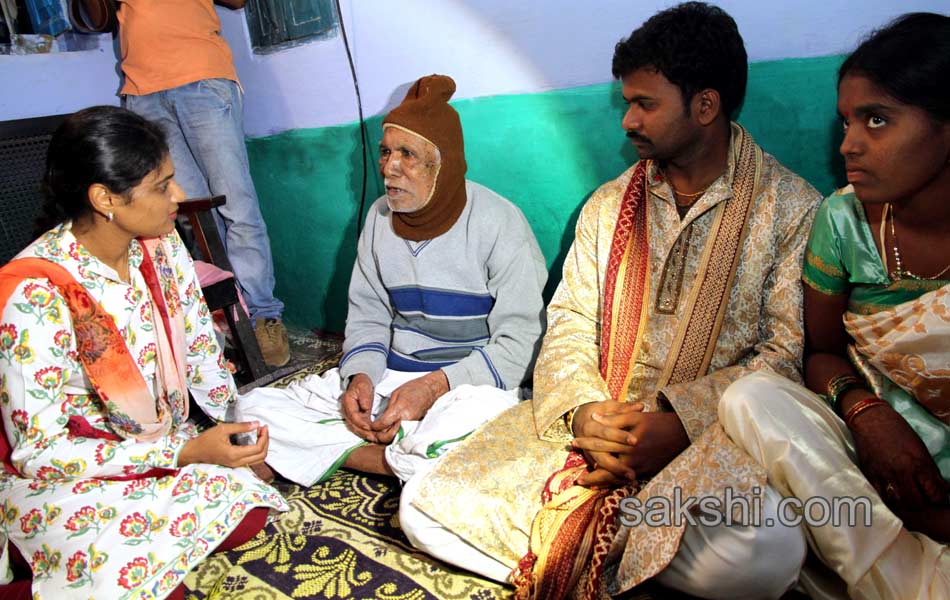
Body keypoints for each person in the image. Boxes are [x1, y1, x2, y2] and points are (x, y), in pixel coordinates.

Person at [402, 4, 823, 598]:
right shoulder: (608, 205)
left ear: (705, 105)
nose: (627, 120)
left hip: (706, 443)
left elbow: (784, 357)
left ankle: (578, 547)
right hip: (593, 431)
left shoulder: (792, 209)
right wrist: (585, 414)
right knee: (422, 504)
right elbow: (570, 318)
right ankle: (612, 556)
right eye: (626, 101)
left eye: (645, 103)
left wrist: (678, 425)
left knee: (767, 549)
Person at [0, 106, 287, 600]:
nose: (177, 197)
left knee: (249, 509)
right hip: (73, 473)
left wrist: (231, 435)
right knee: (137, 582)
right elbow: (40, 453)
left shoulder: (160, 244)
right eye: (162, 186)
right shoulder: (36, 292)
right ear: (105, 197)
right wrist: (185, 452)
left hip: (165, 445)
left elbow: (200, 347)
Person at [718, 13, 950, 599]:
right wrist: (872, 420)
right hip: (874, 454)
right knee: (752, 397)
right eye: (846, 121)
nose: (849, 143)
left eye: (877, 120)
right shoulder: (842, 221)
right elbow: (820, 351)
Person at [234, 74, 547, 488]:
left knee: (485, 436)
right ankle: (396, 461)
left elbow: (522, 345)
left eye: (407, 154)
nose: (389, 167)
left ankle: (344, 454)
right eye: (385, 152)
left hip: (468, 385)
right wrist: (360, 377)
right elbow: (368, 316)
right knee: (249, 410)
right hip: (392, 378)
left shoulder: (499, 222)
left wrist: (436, 387)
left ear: (444, 163)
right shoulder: (380, 218)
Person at [115, 0, 290, 367]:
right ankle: (230, 320)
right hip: (143, 89)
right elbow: (95, 17)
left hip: (201, 77)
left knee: (236, 206)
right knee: (191, 219)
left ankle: (263, 316)